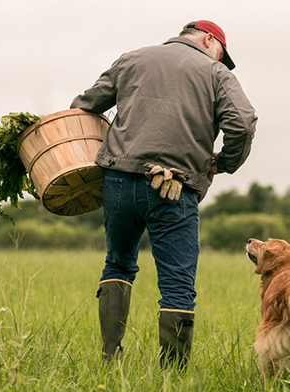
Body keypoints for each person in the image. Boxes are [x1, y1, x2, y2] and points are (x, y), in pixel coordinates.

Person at [70, 20, 257, 367]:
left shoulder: (133, 59)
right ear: (208, 40)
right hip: (174, 189)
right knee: (177, 284)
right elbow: (242, 123)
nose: (221, 60)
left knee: (117, 264)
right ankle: (171, 375)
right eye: (221, 54)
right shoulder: (217, 74)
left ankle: (109, 359)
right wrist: (224, 163)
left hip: (119, 183)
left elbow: (84, 105)